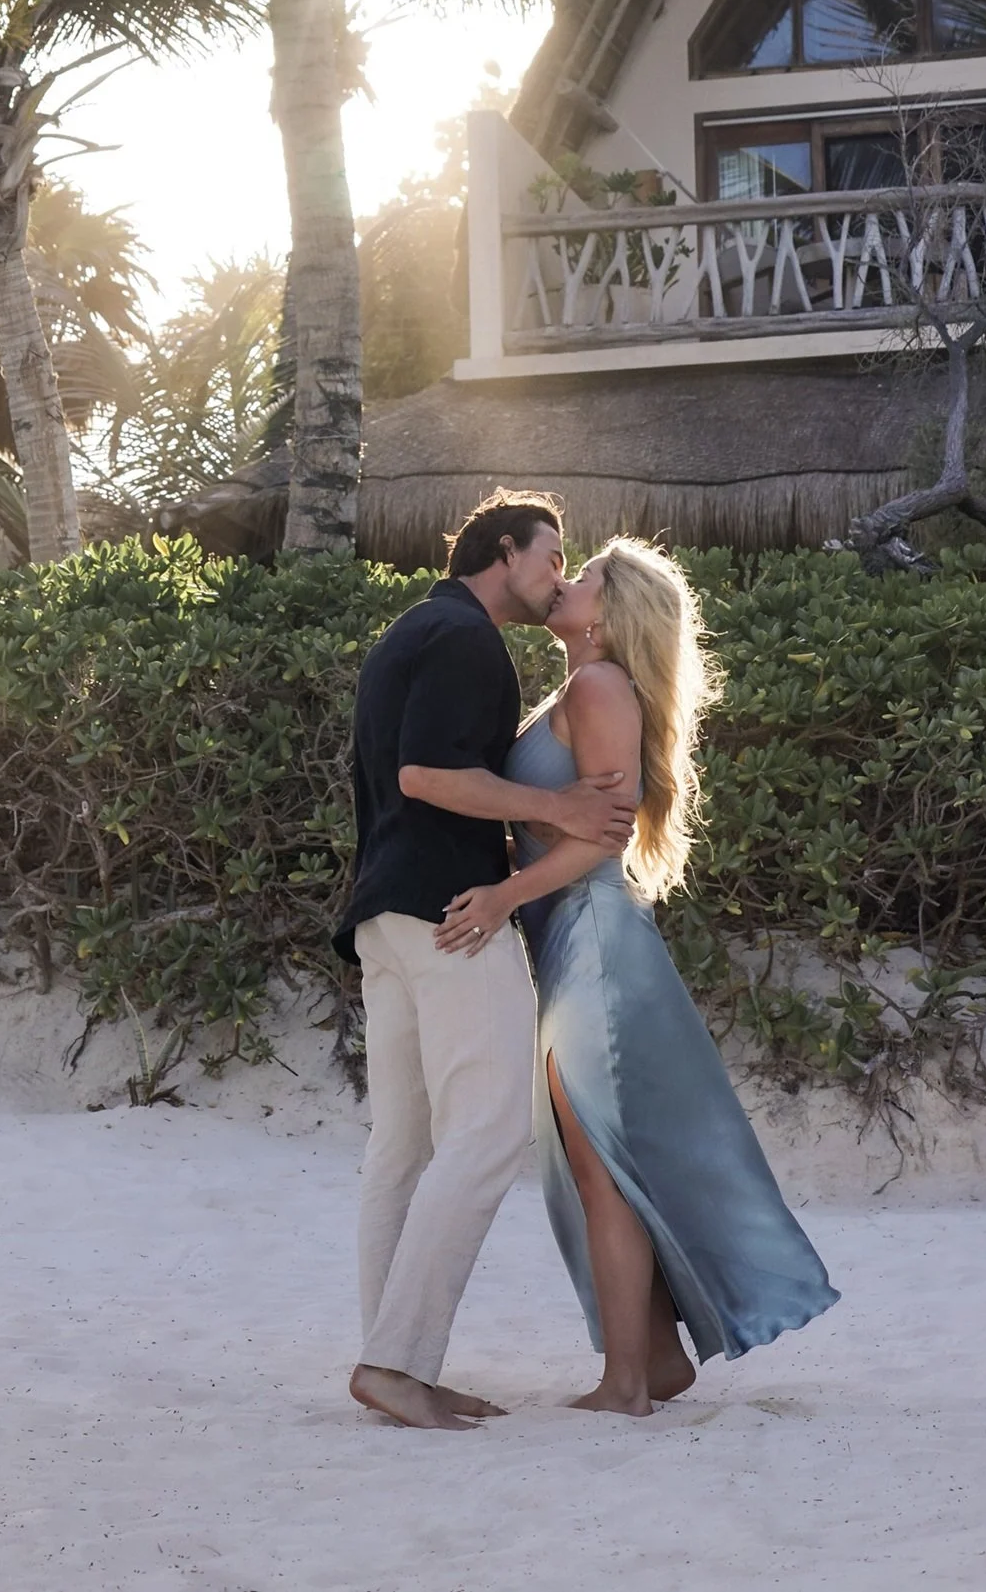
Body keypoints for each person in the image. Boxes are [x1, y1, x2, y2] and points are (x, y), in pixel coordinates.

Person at [436, 537, 839, 1416]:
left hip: (593, 941)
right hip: (569, 942)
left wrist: (505, 892)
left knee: (600, 1166)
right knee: (594, 1161)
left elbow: (601, 836)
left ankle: (626, 1382)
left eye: (584, 578)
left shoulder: (599, 685)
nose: (567, 582)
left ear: (613, 613)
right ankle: (651, 1360)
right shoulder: (576, 688)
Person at [336, 489, 638, 1433]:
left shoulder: (411, 629)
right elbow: (425, 775)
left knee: (403, 1146)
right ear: (504, 551)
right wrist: (557, 811)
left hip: (383, 916)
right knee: (489, 1133)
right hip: (449, 918)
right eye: (552, 556)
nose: (558, 574)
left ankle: (394, 1364)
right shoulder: (467, 641)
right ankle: (395, 1360)